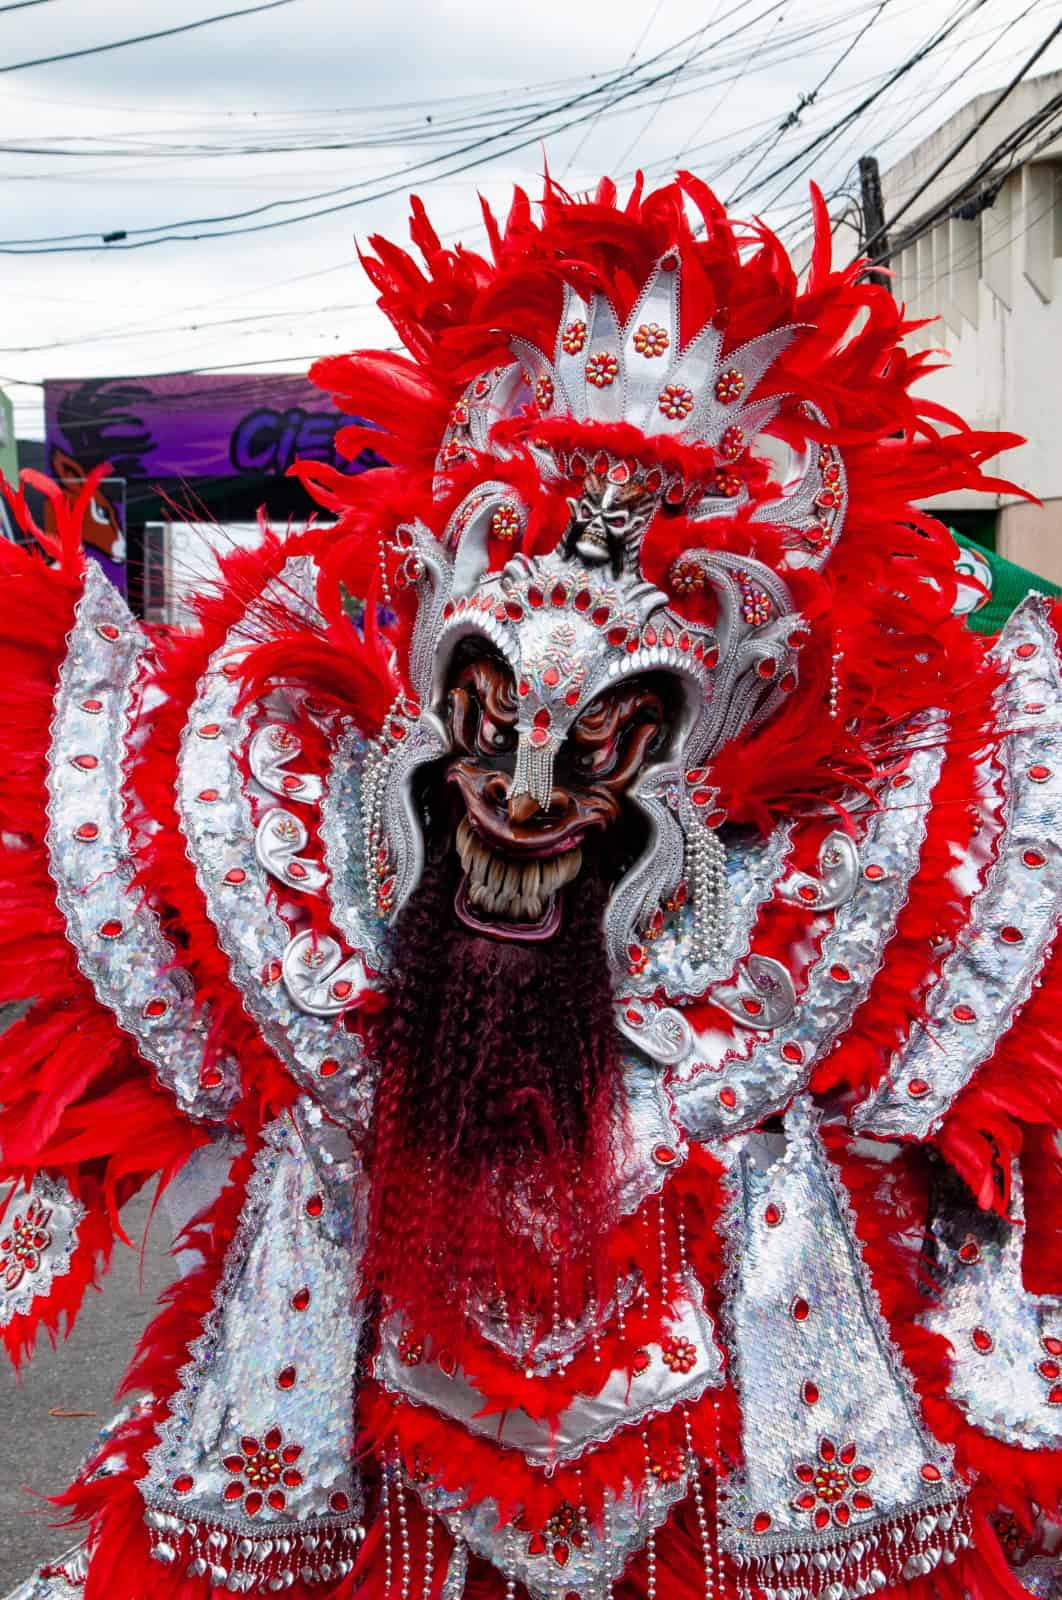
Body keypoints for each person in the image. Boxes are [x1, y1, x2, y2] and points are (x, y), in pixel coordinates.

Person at [3, 171, 1061, 1600]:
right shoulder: (295, 881)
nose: (523, 797)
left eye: (600, 747)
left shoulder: (854, 903)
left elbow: (996, 1202)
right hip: (373, 1504)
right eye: (490, 728)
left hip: (747, 1508)